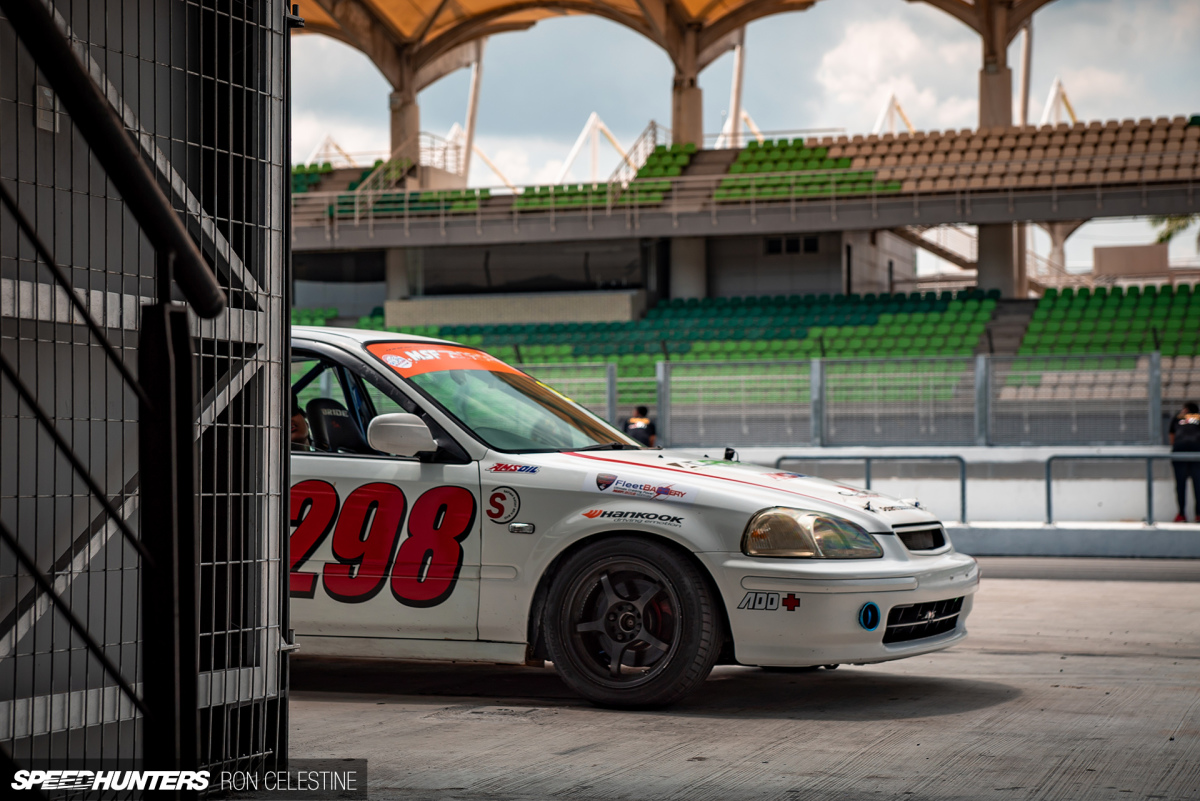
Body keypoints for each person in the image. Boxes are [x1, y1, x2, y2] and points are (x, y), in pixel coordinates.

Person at [1169, 401, 1200, 522]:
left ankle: (1181, 514)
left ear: (1185, 410)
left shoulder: (1178, 417)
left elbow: (1172, 437)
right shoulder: (1198, 417)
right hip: (1197, 453)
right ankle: (1198, 515)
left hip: (1180, 452)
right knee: (1198, 485)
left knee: (1180, 485)